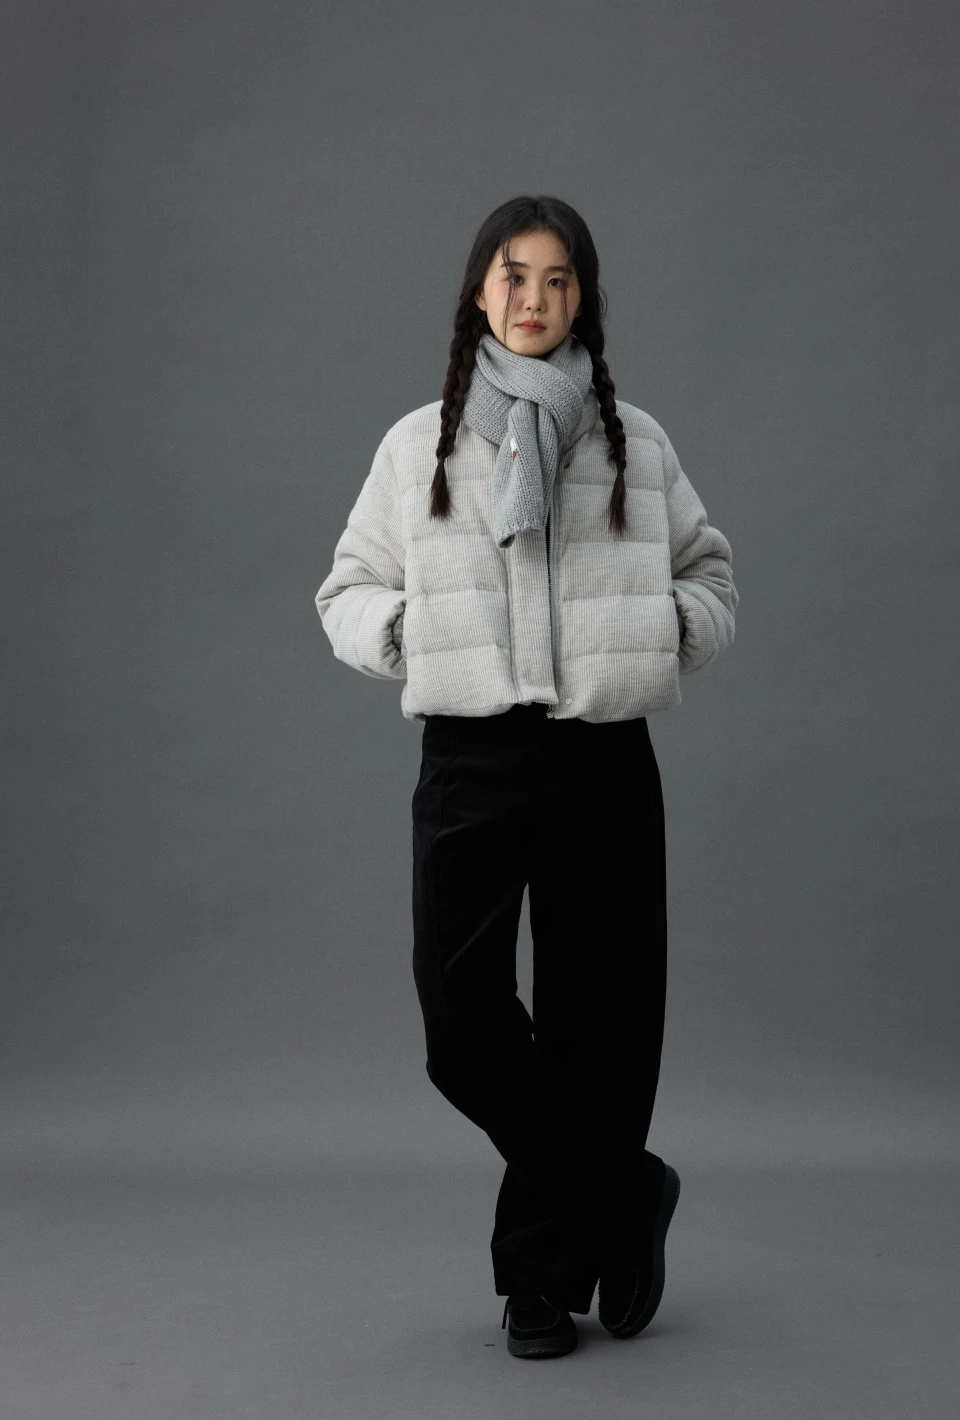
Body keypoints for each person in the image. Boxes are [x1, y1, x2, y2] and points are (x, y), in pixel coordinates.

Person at [315, 194, 738, 1360]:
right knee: (463, 1025)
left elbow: (711, 576)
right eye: (514, 275)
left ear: (584, 297)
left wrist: (656, 634)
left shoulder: (634, 442)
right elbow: (345, 590)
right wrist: (418, 638)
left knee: (600, 1022)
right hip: (472, 756)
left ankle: (540, 1280)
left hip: (603, 755)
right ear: (478, 290)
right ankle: (628, 1192)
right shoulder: (420, 443)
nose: (535, 299)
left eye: (559, 279)